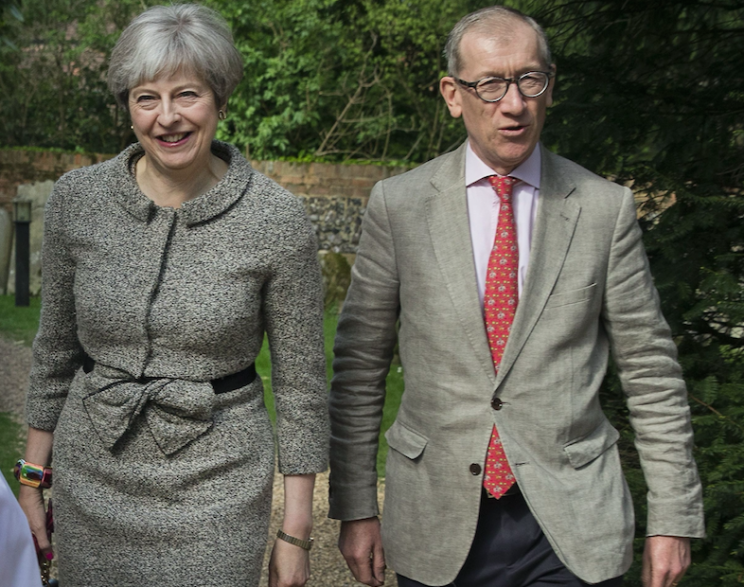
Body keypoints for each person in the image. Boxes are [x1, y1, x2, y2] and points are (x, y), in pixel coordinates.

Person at [328, 6, 704, 587]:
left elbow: (651, 370)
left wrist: (673, 518)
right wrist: (355, 506)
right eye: (491, 84)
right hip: (438, 517)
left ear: (549, 86)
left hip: (572, 520)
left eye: (530, 80)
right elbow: (359, 369)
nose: (514, 103)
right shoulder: (398, 206)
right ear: (453, 95)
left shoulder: (603, 209)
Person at [17, 5, 328, 587]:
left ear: (219, 98)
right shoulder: (76, 200)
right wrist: (32, 479)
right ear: (127, 107)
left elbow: (302, 385)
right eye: (146, 98)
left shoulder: (276, 219)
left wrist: (295, 533)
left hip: (219, 491)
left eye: (186, 94)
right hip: (90, 482)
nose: (167, 118)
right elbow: (54, 350)